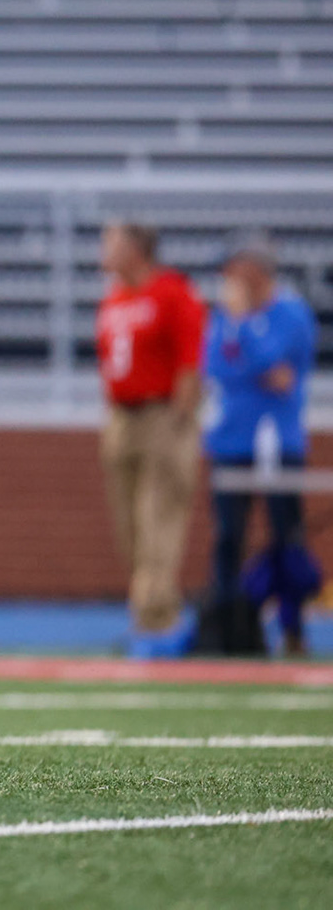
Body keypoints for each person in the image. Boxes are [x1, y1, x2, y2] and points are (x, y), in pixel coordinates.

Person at [203, 236, 320, 656]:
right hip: (230, 439)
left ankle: (292, 629)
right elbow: (215, 367)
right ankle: (229, 629)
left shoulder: (290, 313)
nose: (228, 278)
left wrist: (246, 335)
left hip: (277, 440)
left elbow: (281, 375)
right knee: (227, 537)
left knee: (286, 537)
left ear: (255, 268)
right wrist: (246, 349)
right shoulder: (223, 317)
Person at [94, 220, 206, 658]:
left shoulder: (171, 292)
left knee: (158, 518)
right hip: (123, 416)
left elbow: (189, 359)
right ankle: (151, 610)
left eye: (112, 241)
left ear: (137, 249)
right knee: (131, 526)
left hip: (162, 413)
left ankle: (156, 618)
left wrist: (178, 419)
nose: (104, 250)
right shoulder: (115, 296)